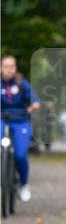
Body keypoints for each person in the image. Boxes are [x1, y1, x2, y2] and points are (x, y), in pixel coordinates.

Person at [0, 55, 41, 201]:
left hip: (20, 121)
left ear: (15, 68)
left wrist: (34, 104)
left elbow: (34, 97)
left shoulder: (21, 83)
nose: (9, 69)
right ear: (1, 68)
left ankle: (23, 184)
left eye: (12, 66)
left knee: (20, 155)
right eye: (6, 66)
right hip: (2, 120)